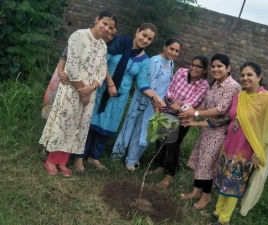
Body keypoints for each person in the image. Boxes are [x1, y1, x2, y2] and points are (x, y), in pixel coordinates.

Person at [74, 23, 166, 171]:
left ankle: (93, 157)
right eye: (144, 35)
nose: (145, 40)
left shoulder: (144, 60)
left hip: (118, 98)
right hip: (100, 89)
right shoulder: (119, 42)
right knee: (89, 123)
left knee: (105, 128)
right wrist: (110, 83)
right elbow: (101, 61)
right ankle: (79, 156)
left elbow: (142, 82)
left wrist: (155, 97)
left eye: (149, 39)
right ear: (137, 31)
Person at [39, 11, 117, 177]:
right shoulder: (79, 36)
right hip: (71, 90)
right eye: (104, 23)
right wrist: (83, 91)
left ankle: (63, 161)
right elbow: (72, 66)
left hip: (89, 92)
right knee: (64, 123)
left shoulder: (103, 45)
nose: (106, 28)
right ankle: (52, 159)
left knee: (79, 126)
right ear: (96, 19)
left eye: (110, 27)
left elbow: (102, 70)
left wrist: (92, 87)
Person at [207, 62, 268, 225]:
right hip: (229, 145)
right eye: (243, 75)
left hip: (246, 151)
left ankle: (224, 219)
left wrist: (257, 153)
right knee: (223, 179)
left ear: (259, 77)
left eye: (250, 75)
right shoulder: (239, 97)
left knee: (234, 183)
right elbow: (231, 118)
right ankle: (218, 211)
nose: (245, 78)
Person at [180, 53, 241, 209]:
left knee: (209, 164)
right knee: (202, 160)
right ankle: (195, 191)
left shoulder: (232, 86)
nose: (215, 69)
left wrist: (194, 114)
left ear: (228, 68)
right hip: (207, 129)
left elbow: (220, 110)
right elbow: (206, 106)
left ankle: (205, 197)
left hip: (220, 132)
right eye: (213, 66)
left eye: (219, 66)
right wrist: (189, 112)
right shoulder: (214, 85)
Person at [111, 37, 182, 171]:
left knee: (150, 131)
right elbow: (145, 82)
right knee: (139, 129)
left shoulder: (171, 63)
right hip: (146, 101)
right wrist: (153, 100)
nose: (173, 53)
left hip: (160, 104)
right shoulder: (154, 61)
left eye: (177, 51)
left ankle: (136, 156)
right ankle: (129, 160)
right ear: (164, 47)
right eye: (171, 49)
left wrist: (162, 103)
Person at [148, 55, 211, 188]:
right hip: (167, 110)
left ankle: (169, 174)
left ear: (204, 70)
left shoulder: (204, 85)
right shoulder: (181, 72)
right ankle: (158, 166)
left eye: (198, 66)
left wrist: (179, 105)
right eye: (192, 64)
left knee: (173, 144)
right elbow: (170, 89)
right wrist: (174, 102)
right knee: (161, 139)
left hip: (183, 117)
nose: (193, 68)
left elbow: (193, 102)